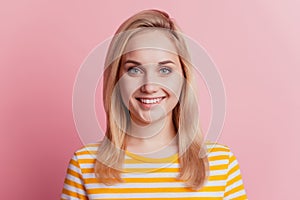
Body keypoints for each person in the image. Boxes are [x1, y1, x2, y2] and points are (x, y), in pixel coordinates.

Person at [61, 9, 247, 199]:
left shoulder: (222, 165)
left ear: (184, 77)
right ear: (116, 80)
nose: (149, 86)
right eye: (134, 70)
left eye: (165, 70)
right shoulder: (84, 166)